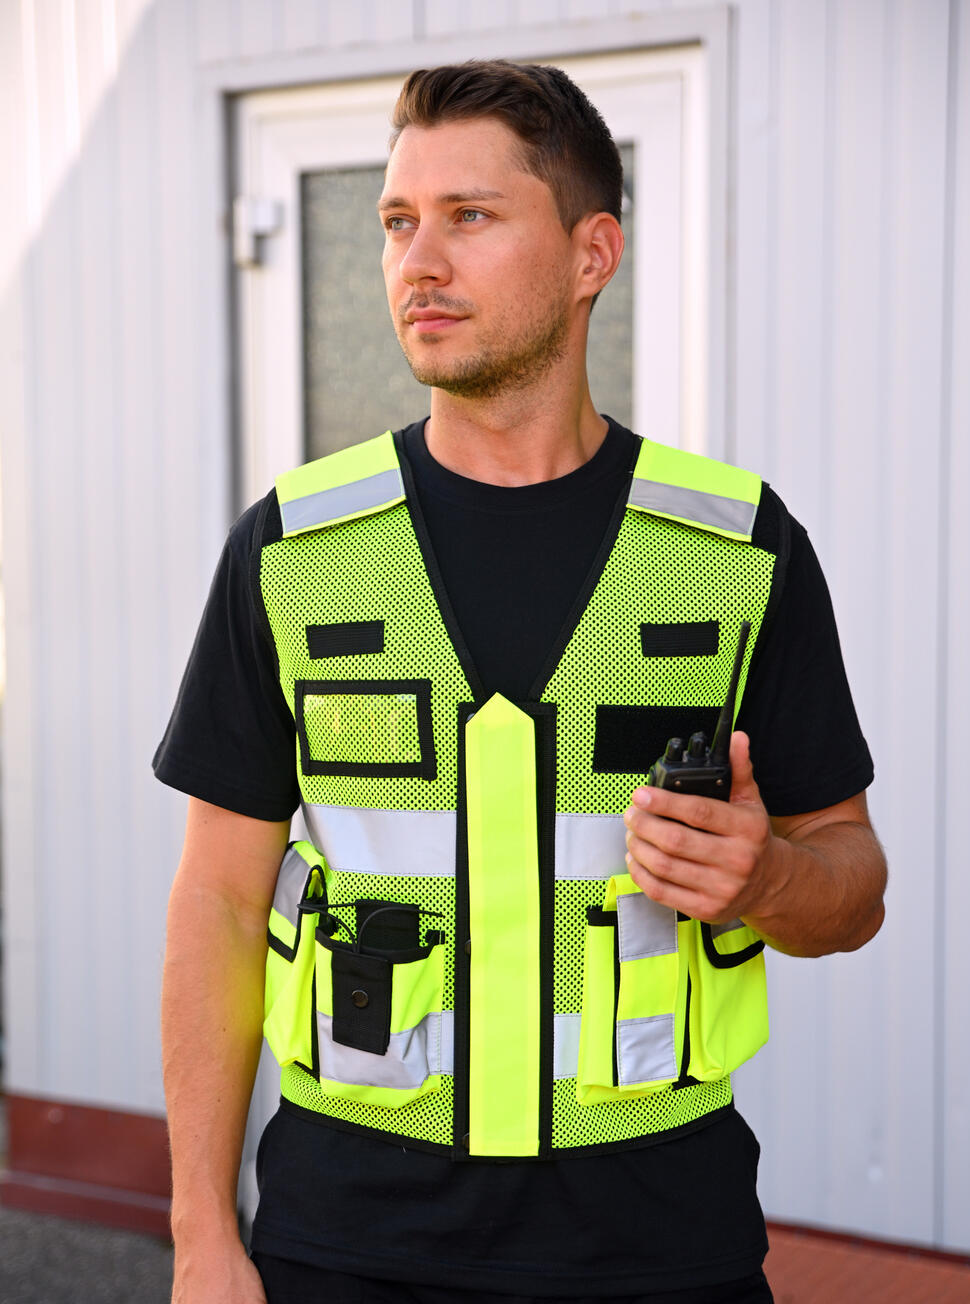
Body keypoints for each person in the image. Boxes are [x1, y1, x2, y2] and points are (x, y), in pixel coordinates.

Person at [157, 60, 886, 1304]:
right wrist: (200, 1236)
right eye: (398, 220)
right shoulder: (292, 550)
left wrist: (766, 877)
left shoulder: (737, 551)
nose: (418, 261)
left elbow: (851, 880)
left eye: (470, 216)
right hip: (345, 1245)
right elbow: (218, 905)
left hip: (660, 1249)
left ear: (592, 253)